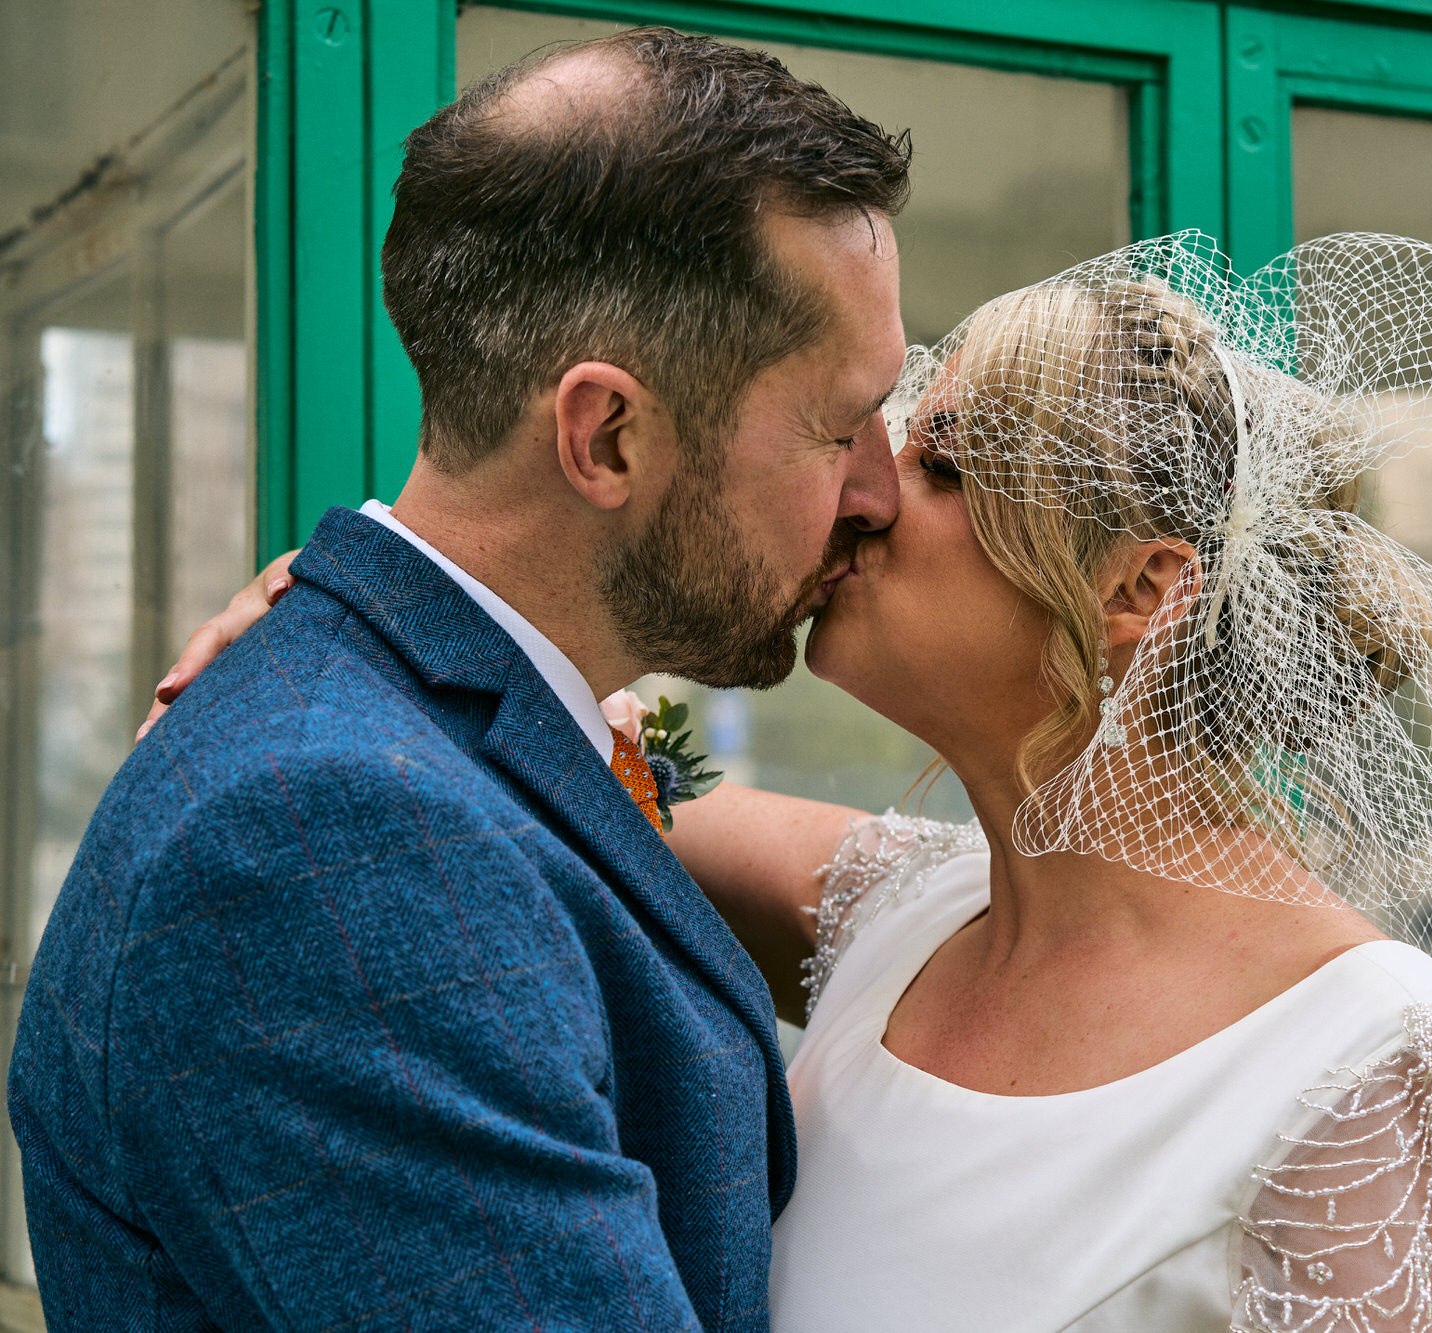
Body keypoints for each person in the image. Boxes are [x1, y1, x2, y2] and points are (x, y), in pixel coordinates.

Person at [167, 233, 1432, 1330]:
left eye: (945, 462)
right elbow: (568, 756)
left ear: (1136, 585)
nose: (865, 491)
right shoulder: (898, 911)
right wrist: (374, 608)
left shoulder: (1386, 1072)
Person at [9, 27, 912, 1331]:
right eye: (838, 427)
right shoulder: (335, 836)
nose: (875, 492)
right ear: (607, 433)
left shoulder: (420, 731)